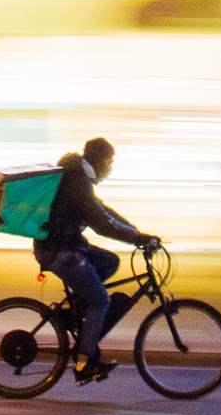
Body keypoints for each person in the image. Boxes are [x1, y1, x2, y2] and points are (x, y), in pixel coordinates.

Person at [34, 137, 158, 384]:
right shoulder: (78, 182)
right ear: (100, 160)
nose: (111, 167)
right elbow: (101, 224)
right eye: (110, 161)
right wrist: (136, 238)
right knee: (101, 301)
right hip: (60, 251)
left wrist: (136, 232)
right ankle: (84, 364)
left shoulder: (79, 177)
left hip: (67, 246)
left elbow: (103, 210)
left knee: (109, 262)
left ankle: (74, 312)